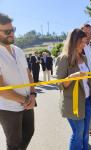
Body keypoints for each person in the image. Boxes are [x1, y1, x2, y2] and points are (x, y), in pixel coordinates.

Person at [55, 28, 91, 150]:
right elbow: (60, 84)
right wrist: (73, 76)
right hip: (74, 104)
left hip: (87, 101)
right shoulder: (63, 58)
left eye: (85, 42)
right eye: (82, 42)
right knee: (78, 134)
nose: (84, 45)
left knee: (85, 134)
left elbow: (90, 80)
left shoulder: (84, 58)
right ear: (74, 42)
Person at [0, 13, 36, 150]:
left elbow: (28, 75)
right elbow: (1, 88)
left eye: (13, 29)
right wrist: (24, 99)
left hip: (27, 102)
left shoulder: (19, 51)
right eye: (7, 31)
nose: (12, 34)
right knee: (14, 143)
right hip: (8, 108)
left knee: (29, 132)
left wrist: (32, 95)